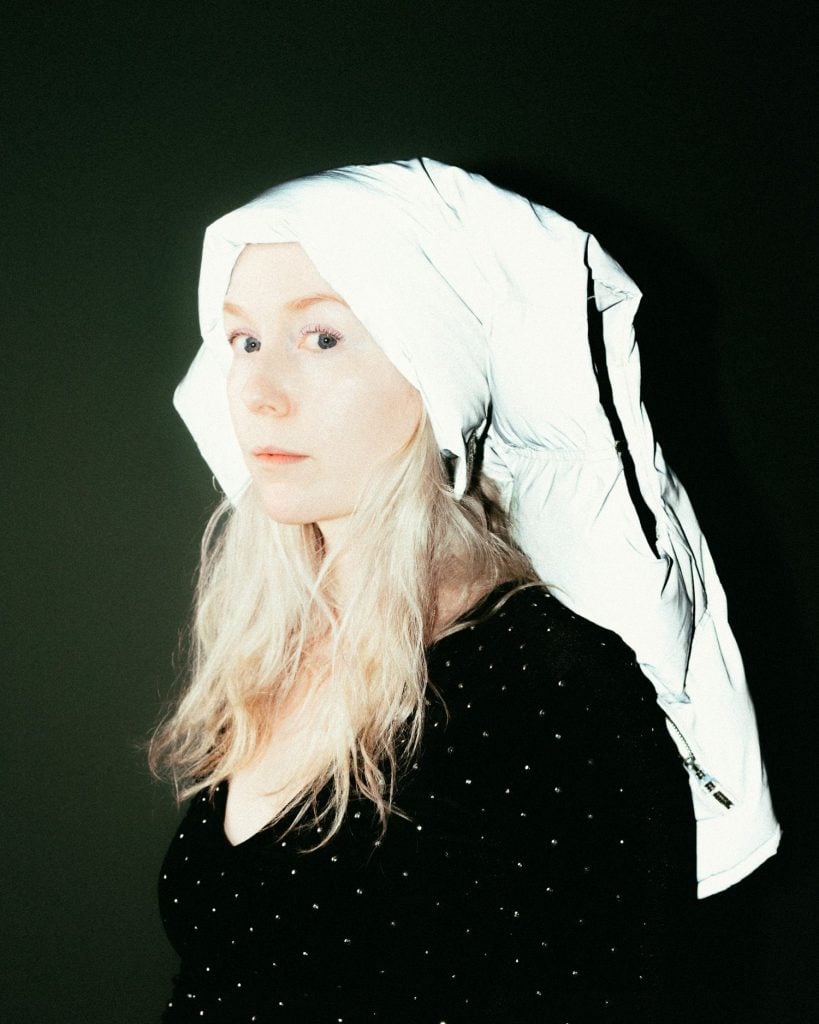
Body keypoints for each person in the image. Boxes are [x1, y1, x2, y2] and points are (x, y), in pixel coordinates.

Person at [151, 158, 780, 1022]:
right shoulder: (282, 644)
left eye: (321, 338)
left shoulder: (554, 691)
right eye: (243, 341)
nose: (256, 393)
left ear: (431, 372)